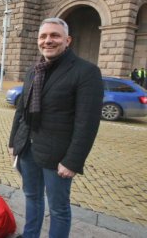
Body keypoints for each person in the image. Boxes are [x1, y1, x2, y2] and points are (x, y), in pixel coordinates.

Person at [8, 18, 103, 238]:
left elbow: (87, 124)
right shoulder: (33, 70)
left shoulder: (86, 71)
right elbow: (21, 110)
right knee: (32, 197)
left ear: (67, 40)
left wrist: (72, 161)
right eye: (43, 36)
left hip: (58, 155)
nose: (48, 41)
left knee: (58, 208)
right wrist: (14, 142)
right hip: (27, 149)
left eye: (54, 36)